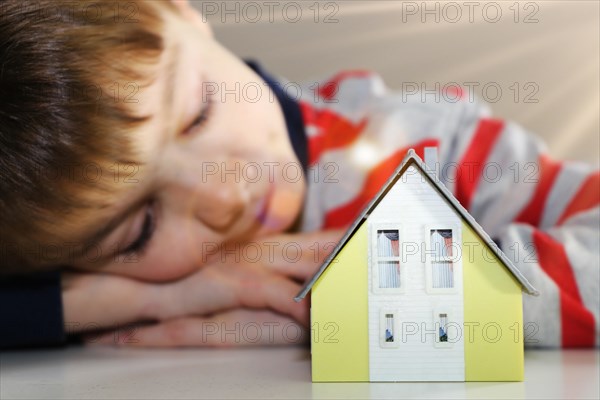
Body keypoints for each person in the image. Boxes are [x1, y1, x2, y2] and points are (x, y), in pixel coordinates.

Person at [1, 0, 597, 349]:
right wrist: (162, 295)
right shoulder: (73, 233)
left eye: (199, 113)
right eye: (141, 229)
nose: (224, 194)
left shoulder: (433, 145)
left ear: (185, 13)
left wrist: (355, 300)